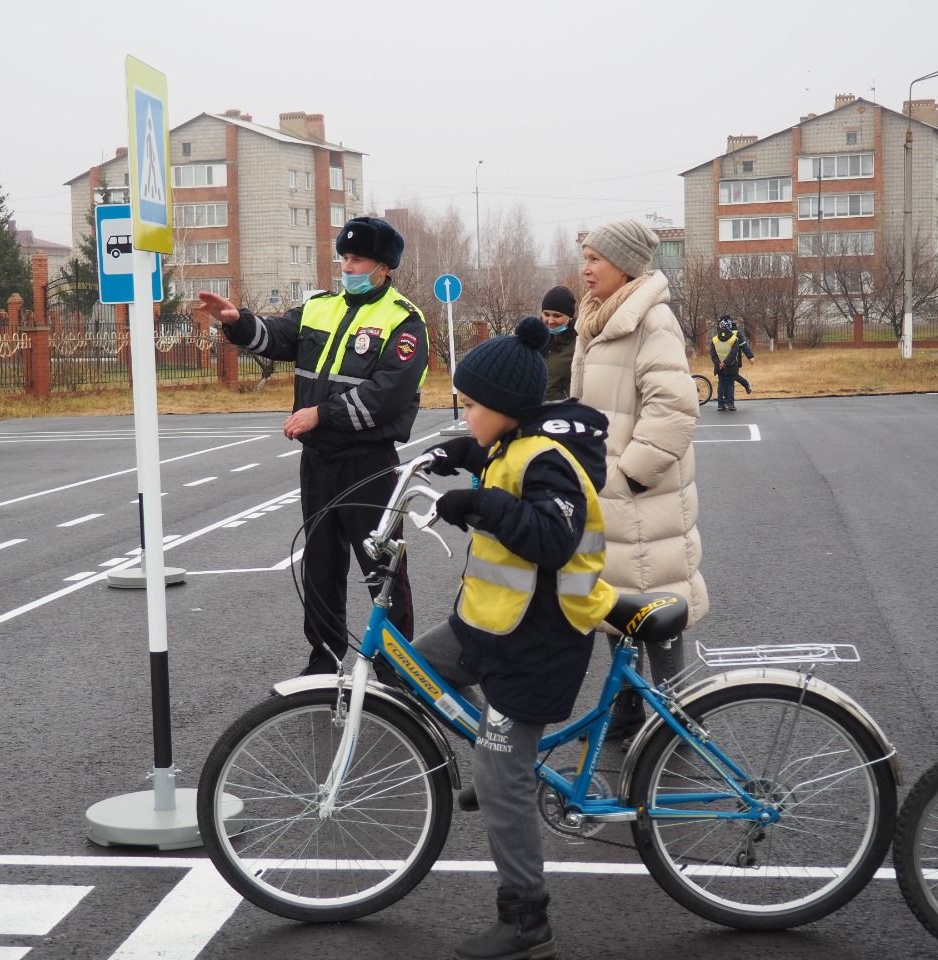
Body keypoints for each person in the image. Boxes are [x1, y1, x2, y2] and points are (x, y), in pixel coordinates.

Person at [417, 316, 615, 960]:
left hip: (541, 638)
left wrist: (478, 506)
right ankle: (496, 759)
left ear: (504, 409)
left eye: (470, 406)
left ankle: (526, 918)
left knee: (501, 773)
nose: (464, 412)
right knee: (412, 669)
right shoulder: (510, 445)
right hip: (494, 623)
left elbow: (552, 535)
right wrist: (462, 452)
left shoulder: (547, 461)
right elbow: (499, 458)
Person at [198, 216, 429, 676]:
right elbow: (279, 336)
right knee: (320, 564)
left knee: (381, 565)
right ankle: (323, 658)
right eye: (343, 258)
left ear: (384, 267)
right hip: (319, 460)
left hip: (368, 462)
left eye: (357, 259)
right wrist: (237, 323)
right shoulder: (319, 306)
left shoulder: (404, 321)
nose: (347, 267)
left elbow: (389, 394)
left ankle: (395, 665)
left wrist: (322, 414)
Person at [568, 218, 708, 742]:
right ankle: (626, 713)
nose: (585, 269)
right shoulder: (599, 319)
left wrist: (628, 477)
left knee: (657, 603)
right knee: (615, 602)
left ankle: (680, 722)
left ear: (624, 264)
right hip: (606, 494)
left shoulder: (652, 320)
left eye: (594, 259)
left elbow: (675, 408)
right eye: (584, 257)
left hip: (641, 498)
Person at [539, 285, 578, 401]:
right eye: (546, 314)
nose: (550, 321)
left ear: (569, 317)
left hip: (561, 411)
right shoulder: (533, 340)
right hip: (532, 411)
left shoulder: (579, 344)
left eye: (557, 316)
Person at [711, 315, 755, 411]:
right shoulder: (720, 334)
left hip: (733, 361)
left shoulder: (735, 334)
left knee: (727, 380)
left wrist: (750, 356)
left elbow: (743, 346)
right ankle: (728, 401)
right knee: (729, 381)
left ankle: (725, 402)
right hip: (728, 362)